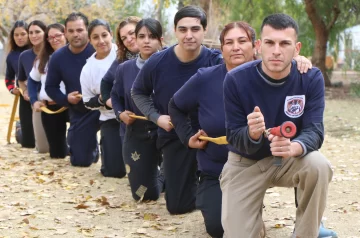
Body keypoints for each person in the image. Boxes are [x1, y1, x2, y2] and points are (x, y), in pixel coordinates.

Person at [168, 21, 316, 238]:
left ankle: (311, 222)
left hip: (275, 159)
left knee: (312, 163)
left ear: (255, 46)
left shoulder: (278, 71)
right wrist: (187, 135)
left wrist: (299, 60)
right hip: (221, 166)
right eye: (229, 42)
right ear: (221, 48)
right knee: (219, 229)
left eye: (242, 41)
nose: (236, 47)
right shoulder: (205, 78)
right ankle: (249, 217)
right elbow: (175, 106)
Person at [221, 13, 333, 238]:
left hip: (289, 161)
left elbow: (315, 130)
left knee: (318, 165)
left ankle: (306, 233)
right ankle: (252, 221)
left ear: (297, 48)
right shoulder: (235, 80)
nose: (276, 50)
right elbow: (233, 135)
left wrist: (296, 147)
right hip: (245, 163)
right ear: (259, 45)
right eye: (270, 42)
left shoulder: (310, 78)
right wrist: (252, 133)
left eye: (285, 43)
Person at [131, 6, 222, 214]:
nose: (189, 35)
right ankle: (182, 181)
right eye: (183, 29)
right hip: (174, 135)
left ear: (204, 31)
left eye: (195, 29)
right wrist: (155, 117)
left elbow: (249, 70)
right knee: (177, 207)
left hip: (211, 137)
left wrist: (296, 60)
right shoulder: (158, 61)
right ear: (174, 31)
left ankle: (209, 189)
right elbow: (138, 92)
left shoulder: (216, 60)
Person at [111, 18, 164, 201]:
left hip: (169, 132)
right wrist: (120, 114)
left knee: (178, 197)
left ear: (161, 39)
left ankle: (165, 177)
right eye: (141, 36)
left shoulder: (172, 65)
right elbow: (115, 97)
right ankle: (157, 179)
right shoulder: (124, 69)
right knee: (142, 194)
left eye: (152, 36)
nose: (146, 41)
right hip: (138, 132)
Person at [45, 12, 98, 167]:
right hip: (80, 111)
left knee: (116, 166)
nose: (76, 34)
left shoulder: (99, 49)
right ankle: (90, 146)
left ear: (87, 30)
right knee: (80, 161)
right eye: (71, 31)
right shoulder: (58, 57)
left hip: (106, 109)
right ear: (65, 33)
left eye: (80, 30)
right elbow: (50, 86)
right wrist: (66, 99)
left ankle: (107, 146)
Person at [80, 19, 125, 178]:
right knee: (115, 172)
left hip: (138, 116)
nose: (101, 41)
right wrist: (102, 100)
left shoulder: (124, 52)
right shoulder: (87, 69)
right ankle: (108, 153)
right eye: (95, 37)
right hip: (111, 119)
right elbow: (87, 102)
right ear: (90, 40)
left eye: (104, 35)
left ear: (111, 34)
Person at [28, 23, 68, 159]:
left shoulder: (78, 56)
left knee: (80, 152)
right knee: (57, 154)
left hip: (74, 106)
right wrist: (34, 101)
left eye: (58, 35)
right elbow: (32, 81)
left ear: (66, 34)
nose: (54, 39)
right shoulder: (42, 59)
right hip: (51, 108)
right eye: (50, 37)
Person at [100, 16, 141, 137]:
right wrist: (119, 110)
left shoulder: (163, 54)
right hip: (133, 127)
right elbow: (106, 84)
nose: (129, 39)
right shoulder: (121, 62)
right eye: (124, 38)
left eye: (131, 33)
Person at [17, 20, 49, 152]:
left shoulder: (54, 53)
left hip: (55, 97)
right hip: (34, 99)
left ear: (45, 33)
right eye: (31, 32)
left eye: (37, 32)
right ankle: (19, 131)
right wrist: (25, 91)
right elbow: (21, 80)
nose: (33, 35)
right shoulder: (24, 56)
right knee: (39, 147)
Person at [4, 20, 29, 144]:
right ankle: (20, 128)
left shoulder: (40, 51)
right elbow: (8, 78)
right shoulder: (11, 56)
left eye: (23, 34)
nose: (19, 38)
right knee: (27, 142)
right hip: (24, 98)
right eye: (16, 35)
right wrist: (12, 89)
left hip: (43, 97)